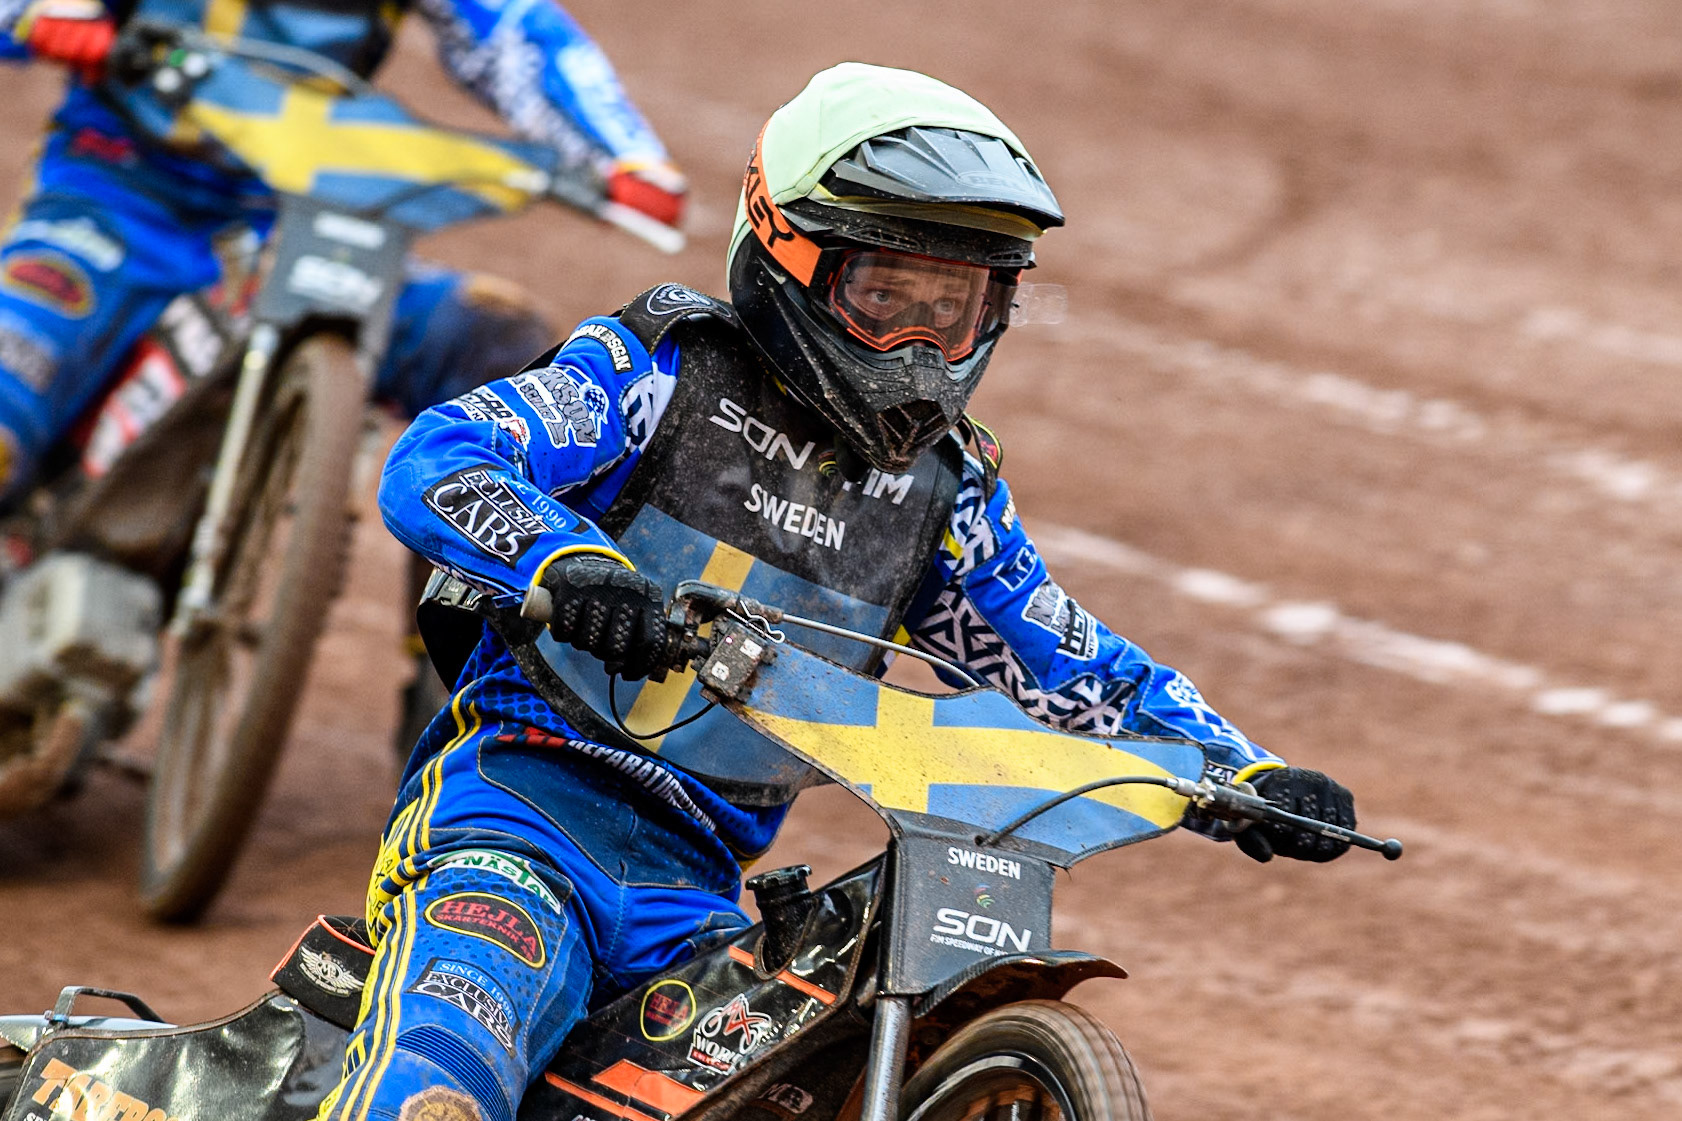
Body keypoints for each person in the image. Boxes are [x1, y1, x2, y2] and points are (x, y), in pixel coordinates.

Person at [337, 63, 1359, 1121]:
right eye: (886, 298)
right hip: (512, 833)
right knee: (438, 1084)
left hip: (694, 901)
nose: (920, 349)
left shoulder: (940, 499)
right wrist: (569, 564)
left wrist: (1248, 774)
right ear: (787, 253)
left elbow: (1073, 667)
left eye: (950, 310)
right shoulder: (653, 372)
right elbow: (444, 455)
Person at [0, 0, 685, 738]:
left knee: (491, 339)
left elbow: (513, 28)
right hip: (115, 203)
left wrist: (623, 156)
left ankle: (458, 708)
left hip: (300, 220)